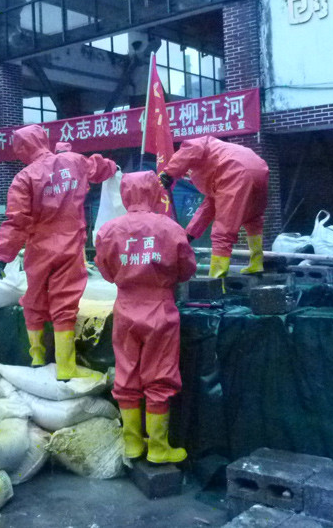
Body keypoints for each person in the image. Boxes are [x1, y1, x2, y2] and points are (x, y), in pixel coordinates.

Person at [0, 125, 117, 380]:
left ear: (23, 149)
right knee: (65, 305)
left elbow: (17, 221)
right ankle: (66, 368)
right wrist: (113, 168)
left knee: (35, 299)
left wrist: (4, 255)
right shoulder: (73, 161)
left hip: (39, 247)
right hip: (70, 245)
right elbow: (99, 167)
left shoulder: (24, 178)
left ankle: (37, 356)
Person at [95, 171, 196, 464]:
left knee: (126, 374)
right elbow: (187, 268)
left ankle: (132, 445)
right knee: (159, 376)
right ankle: (159, 448)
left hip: (125, 309)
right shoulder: (170, 228)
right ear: (155, 192)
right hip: (160, 310)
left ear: (124, 194)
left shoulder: (108, 230)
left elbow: (105, 271)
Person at [159, 136, 269, 277]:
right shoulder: (218, 154)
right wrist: (189, 234)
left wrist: (169, 172)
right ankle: (256, 263)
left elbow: (191, 148)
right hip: (259, 168)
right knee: (253, 219)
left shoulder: (197, 145)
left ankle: (217, 276)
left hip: (235, 170)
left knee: (223, 230)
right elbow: (209, 206)